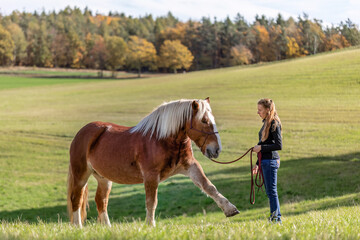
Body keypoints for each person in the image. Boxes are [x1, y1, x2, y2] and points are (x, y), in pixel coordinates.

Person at [252, 98, 282, 224]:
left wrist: (261, 148)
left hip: (270, 161)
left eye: (260, 110)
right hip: (265, 161)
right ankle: (275, 217)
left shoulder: (274, 123)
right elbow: (263, 143)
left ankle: (276, 219)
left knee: (272, 192)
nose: (258, 112)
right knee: (270, 192)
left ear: (267, 110)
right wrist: (257, 164)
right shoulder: (266, 123)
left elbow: (278, 145)